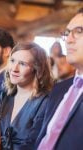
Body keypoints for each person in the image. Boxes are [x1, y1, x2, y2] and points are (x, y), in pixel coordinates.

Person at [0, 42, 53, 150]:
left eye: (22, 64)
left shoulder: (46, 101)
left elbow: (34, 144)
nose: (14, 68)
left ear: (36, 69)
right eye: (12, 61)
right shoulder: (5, 97)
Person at [35, 8, 83, 150]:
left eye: (79, 31)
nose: (68, 40)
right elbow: (38, 138)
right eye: (67, 33)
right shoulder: (58, 89)